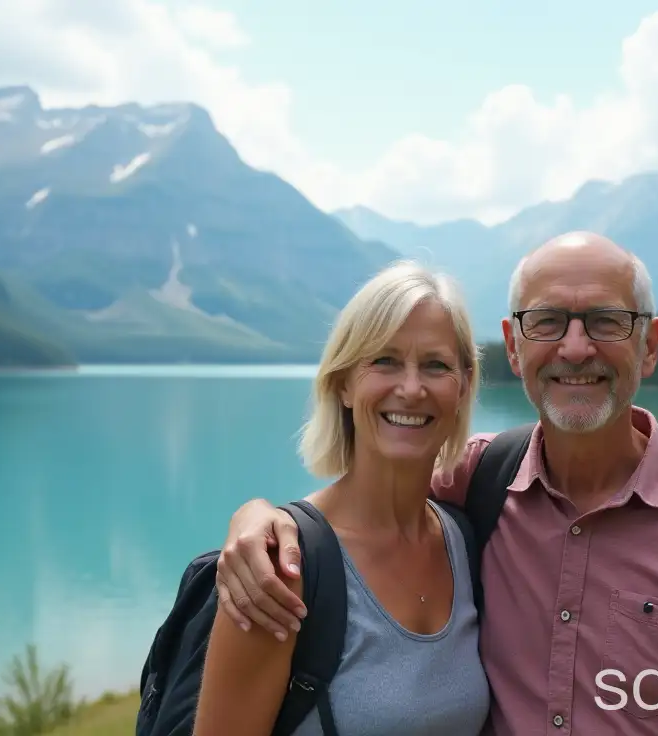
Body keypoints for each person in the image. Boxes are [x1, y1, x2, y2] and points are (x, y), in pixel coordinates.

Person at [211, 232, 658, 735]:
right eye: (547, 322)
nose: (575, 348)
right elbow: (369, 491)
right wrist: (261, 514)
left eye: (606, 320)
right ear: (515, 346)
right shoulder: (480, 487)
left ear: (649, 345)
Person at [192, 260, 492, 736]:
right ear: (344, 384)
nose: (411, 389)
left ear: (463, 387)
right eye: (385, 361)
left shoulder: (466, 539)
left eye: (436, 365)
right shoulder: (281, 570)